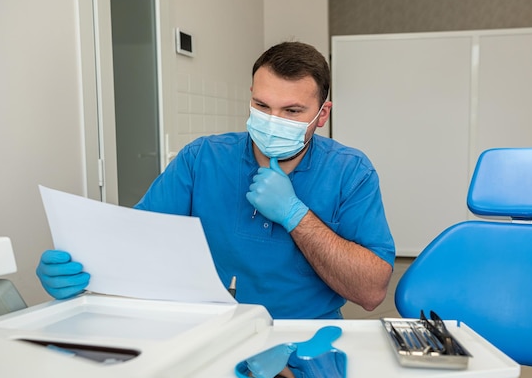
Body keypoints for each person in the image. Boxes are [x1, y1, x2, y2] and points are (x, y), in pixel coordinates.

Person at [36, 41, 396, 319]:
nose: (272, 121)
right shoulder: (202, 160)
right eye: (262, 105)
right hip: (206, 325)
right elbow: (137, 241)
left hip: (304, 333)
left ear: (322, 115)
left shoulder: (350, 172)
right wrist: (80, 271)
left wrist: (295, 215)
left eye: (291, 111)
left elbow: (370, 291)